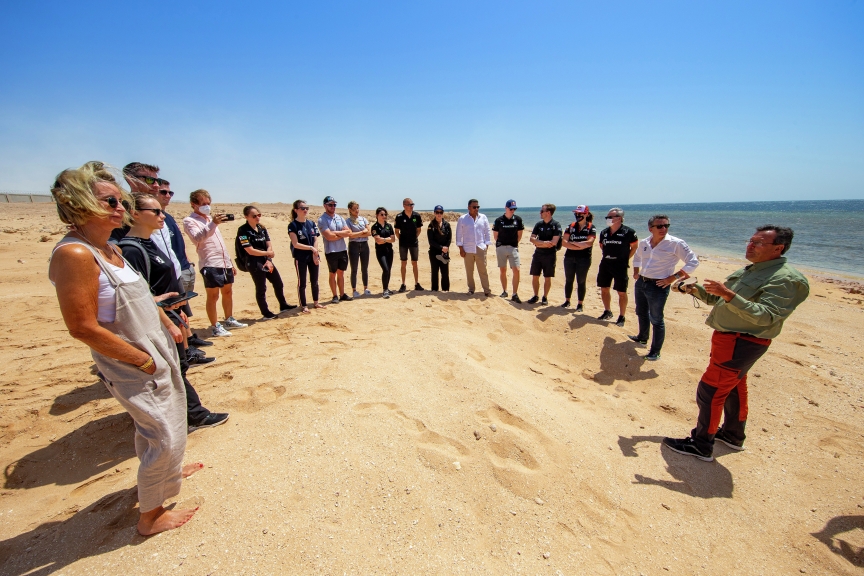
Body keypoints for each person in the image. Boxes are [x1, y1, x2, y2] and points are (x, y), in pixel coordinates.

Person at [48, 161, 202, 536]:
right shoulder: (76, 254)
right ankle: (150, 516)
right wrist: (142, 360)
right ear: (81, 205)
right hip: (132, 360)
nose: (122, 208)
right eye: (110, 201)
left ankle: (165, 474)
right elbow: (81, 327)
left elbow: (144, 296)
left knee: (166, 421)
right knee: (160, 432)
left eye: (121, 200)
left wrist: (167, 324)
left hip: (156, 349)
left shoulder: (109, 248)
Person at [663, 226, 810, 462]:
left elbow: (767, 316)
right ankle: (732, 435)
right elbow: (718, 298)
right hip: (729, 340)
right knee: (733, 387)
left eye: (758, 243)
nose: (750, 246)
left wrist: (728, 295)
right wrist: (694, 289)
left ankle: (701, 445)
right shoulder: (751, 271)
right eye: (750, 241)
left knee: (710, 391)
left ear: (778, 248)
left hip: (742, 342)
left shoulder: (786, 279)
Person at [118, 193, 229, 433]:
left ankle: (183, 415)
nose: (162, 215)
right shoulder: (131, 250)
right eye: (156, 212)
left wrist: (178, 312)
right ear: (135, 214)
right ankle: (190, 416)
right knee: (171, 368)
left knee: (177, 367)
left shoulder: (148, 243)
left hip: (170, 316)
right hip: (156, 322)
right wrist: (167, 320)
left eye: (162, 211)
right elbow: (139, 297)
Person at [148, 176, 211, 350]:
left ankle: (189, 341)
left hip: (180, 267)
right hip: (165, 272)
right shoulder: (153, 219)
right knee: (174, 310)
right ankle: (184, 348)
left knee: (182, 308)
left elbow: (173, 245)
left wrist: (186, 261)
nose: (168, 195)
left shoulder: (166, 217)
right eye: (163, 192)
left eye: (170, 192)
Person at [629, 215, 699, 361]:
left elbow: (693, 262)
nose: (664, 229)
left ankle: (655, 352)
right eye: (659, 226)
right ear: (650, 228)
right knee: (641, 312)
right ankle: (642, 338)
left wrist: (674, 277)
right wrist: (636, 272)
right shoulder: (644, 242)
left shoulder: (675, 243)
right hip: (642, 282)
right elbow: (637, 257)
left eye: (666, 225)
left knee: (656, 319)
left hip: (659, 286)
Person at [182, 190, 247, 337]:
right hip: (209, 262)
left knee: (228, 292)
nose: (207, 206)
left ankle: (229, 319)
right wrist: (213, 223)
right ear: (193, 204)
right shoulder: (189, 221)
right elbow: (198, 238)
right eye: (203, 203)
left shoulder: (209, 219)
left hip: (223, 262)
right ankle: (214, 326)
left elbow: (220, 244)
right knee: (213, 296)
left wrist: (229, 262)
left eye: (208, 203)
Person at [237, 205, 296, 319]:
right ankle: (265, 312)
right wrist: (267, 254)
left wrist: (268, 259)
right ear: (246, 217)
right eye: (254, 216)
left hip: (266, 260)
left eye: (259, 215)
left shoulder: (262, 228)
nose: (257, 218)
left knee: (278, 282)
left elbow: (269, 244)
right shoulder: (243, 230)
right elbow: (250, 250)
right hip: (253, 261)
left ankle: (283, 305)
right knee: (261, 288)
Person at [597, 207, 638, 326]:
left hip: (620, 265)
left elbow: (634, 247)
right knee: (604, 289)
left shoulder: (629, 232)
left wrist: (625, 259)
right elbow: (602, 246)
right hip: (605, 264)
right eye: (607, 217)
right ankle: (607, 311)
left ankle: (622, 316)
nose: (608, 219)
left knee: (621, 292)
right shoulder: (604, 232)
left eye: (610, 217)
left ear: (619, 218)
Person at [288, 200, 325, 313]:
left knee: (315, 280)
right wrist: (310, 248)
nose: (305, 210)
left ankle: (316, 302)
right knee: (302, 282)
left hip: (312, 256)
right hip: (301, 257)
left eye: (306, 208)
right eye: (302, 208)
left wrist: (315, 253)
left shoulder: (311, 223)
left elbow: (315, 239)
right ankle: (303, 305)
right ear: (296, 210)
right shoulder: (292, 225)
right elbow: (295, 244)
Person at [561, 205, 597, 312]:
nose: (577, 215)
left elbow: (589, 242)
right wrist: (579, 246)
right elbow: (564, 242)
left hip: (584, 259)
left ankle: (580, 304)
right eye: (576, 213)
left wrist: (572, 243)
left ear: (586, 214)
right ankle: (567, 301)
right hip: (569, 258)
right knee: (569, 279)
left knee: (581, 281)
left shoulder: (591, 227)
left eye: (580, 213)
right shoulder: (570, 226)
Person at [317, 196, 352, 303]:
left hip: (342, 249)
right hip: (331, 251)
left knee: (341, 273)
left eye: (334, 205)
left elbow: (349, 232)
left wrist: (335, 233)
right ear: (325, 206)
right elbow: (329, 237)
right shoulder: (322, 219)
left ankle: (342, 294)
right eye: (330, 205)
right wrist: (341, 234)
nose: (333, 207)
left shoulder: (339, 218)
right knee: (332, 273)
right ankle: (335, 295)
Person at [456, 199, 492, 296]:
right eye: (474, 207)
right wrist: (461, 249)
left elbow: (487, 232)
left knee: (483, 271)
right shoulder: (463, 219)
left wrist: (486, 246)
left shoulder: (483, 217)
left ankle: (487, 290)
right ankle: (471, 289)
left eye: (478, 207)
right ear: (469, 207)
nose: (476, 209)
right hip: (467, 249)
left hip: (480, 247)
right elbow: (458, 235)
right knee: (469, 271)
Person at [527, 204, 562, 305]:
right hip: (538, 254)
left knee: (547, 277)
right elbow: (531, 239)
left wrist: (538, 243)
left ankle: (545, 297)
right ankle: (535, 295)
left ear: (548, 213)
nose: (540, 213)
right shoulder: (539, 224)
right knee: (535, 276)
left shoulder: (556, 225)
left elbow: (554, 243)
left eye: (542, 211)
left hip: (550, 255)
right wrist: (544, 243)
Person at [492, 200, 524, 302]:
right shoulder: (499, 220)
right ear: (506, 208)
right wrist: (502, 244)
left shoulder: (518, 220)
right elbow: (495, 236)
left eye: (514, 209)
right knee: (503, 270)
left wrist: (513, 244)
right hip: (501, 247)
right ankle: (505, 291)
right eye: (511, 209)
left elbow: (519, 235)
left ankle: (515, 293)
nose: (512, 210)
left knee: (516, 269)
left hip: (513, 247)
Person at [394, 198, 424, 292]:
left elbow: (419, 229)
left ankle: (416, 283)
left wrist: (414, 238)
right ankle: (403, 284)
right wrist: (402, 239)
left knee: (414, 262)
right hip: (403, 244)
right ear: (404, 205)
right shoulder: (399, 216)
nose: (411, 206)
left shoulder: (417, 216)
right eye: (409, 205)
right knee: (404, 263)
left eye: (412, 204)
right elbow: (396, 231)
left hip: (414, 243)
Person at [346, 201, 372, 298]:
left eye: (357, 208)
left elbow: (369, 232)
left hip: (364, 245)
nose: (356, 210)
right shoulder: (348, 221)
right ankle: (354, 290)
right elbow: (350, 234)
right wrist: (362, 232)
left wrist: (358, 234)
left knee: (364, 268)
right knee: (354, 269)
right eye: (354, 209)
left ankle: (366, 288)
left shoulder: (363, 219)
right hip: (354, 246)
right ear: (350, 210)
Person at [370, 207, 396, 298]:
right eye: (382, 214)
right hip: (380, 252)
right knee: (385, 269)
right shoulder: (374, 227)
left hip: (389, 251)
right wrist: (387, 239)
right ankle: (385, 290)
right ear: (377, 215)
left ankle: (387, 288)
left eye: (385, 214)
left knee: (388, 270)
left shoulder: (389, 226)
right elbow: (378, 241)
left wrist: (383, 239)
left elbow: (393, 239)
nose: (384, 216)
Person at [427, 205, 452, 291]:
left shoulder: (447, 225)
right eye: (437, 212)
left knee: (445, 272)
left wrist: (446, 248)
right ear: (434, 213)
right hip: (434, 252)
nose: (439, 214)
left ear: (443, 213)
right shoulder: (431, 225)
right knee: (434, 271)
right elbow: (431, 241)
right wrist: (441, 247)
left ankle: (445, 290)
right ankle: (434, 290)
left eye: (440, 212)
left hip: (444, 252)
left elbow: (449, 238)